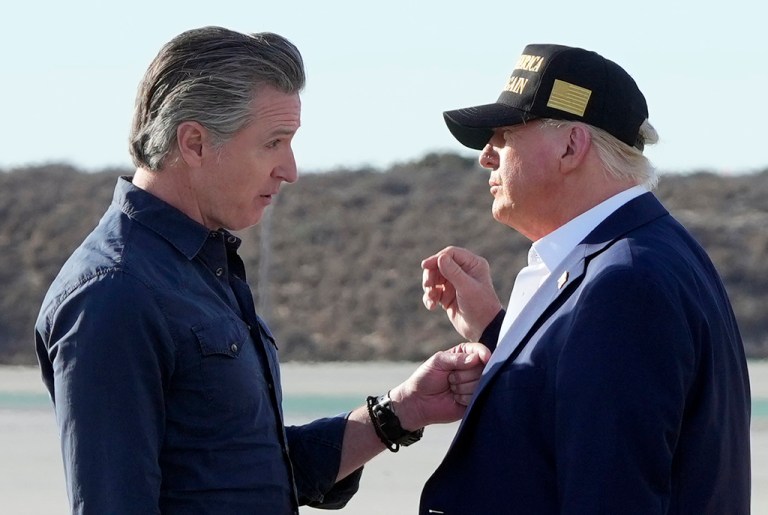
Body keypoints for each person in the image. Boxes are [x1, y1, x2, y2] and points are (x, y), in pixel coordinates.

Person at [34, 26, 490, 514]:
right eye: (274, 142)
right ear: (194, 143)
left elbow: (249, 472)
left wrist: (401, 410)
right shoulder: (115, 293)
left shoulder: (199, 269)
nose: (290, 169)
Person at [419, 43, 751, 514]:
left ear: (571, 145)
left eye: (504, 135)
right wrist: (497, 334)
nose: (486, 157)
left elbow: (613, 494)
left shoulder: (625, 283)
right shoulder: (641, 256)